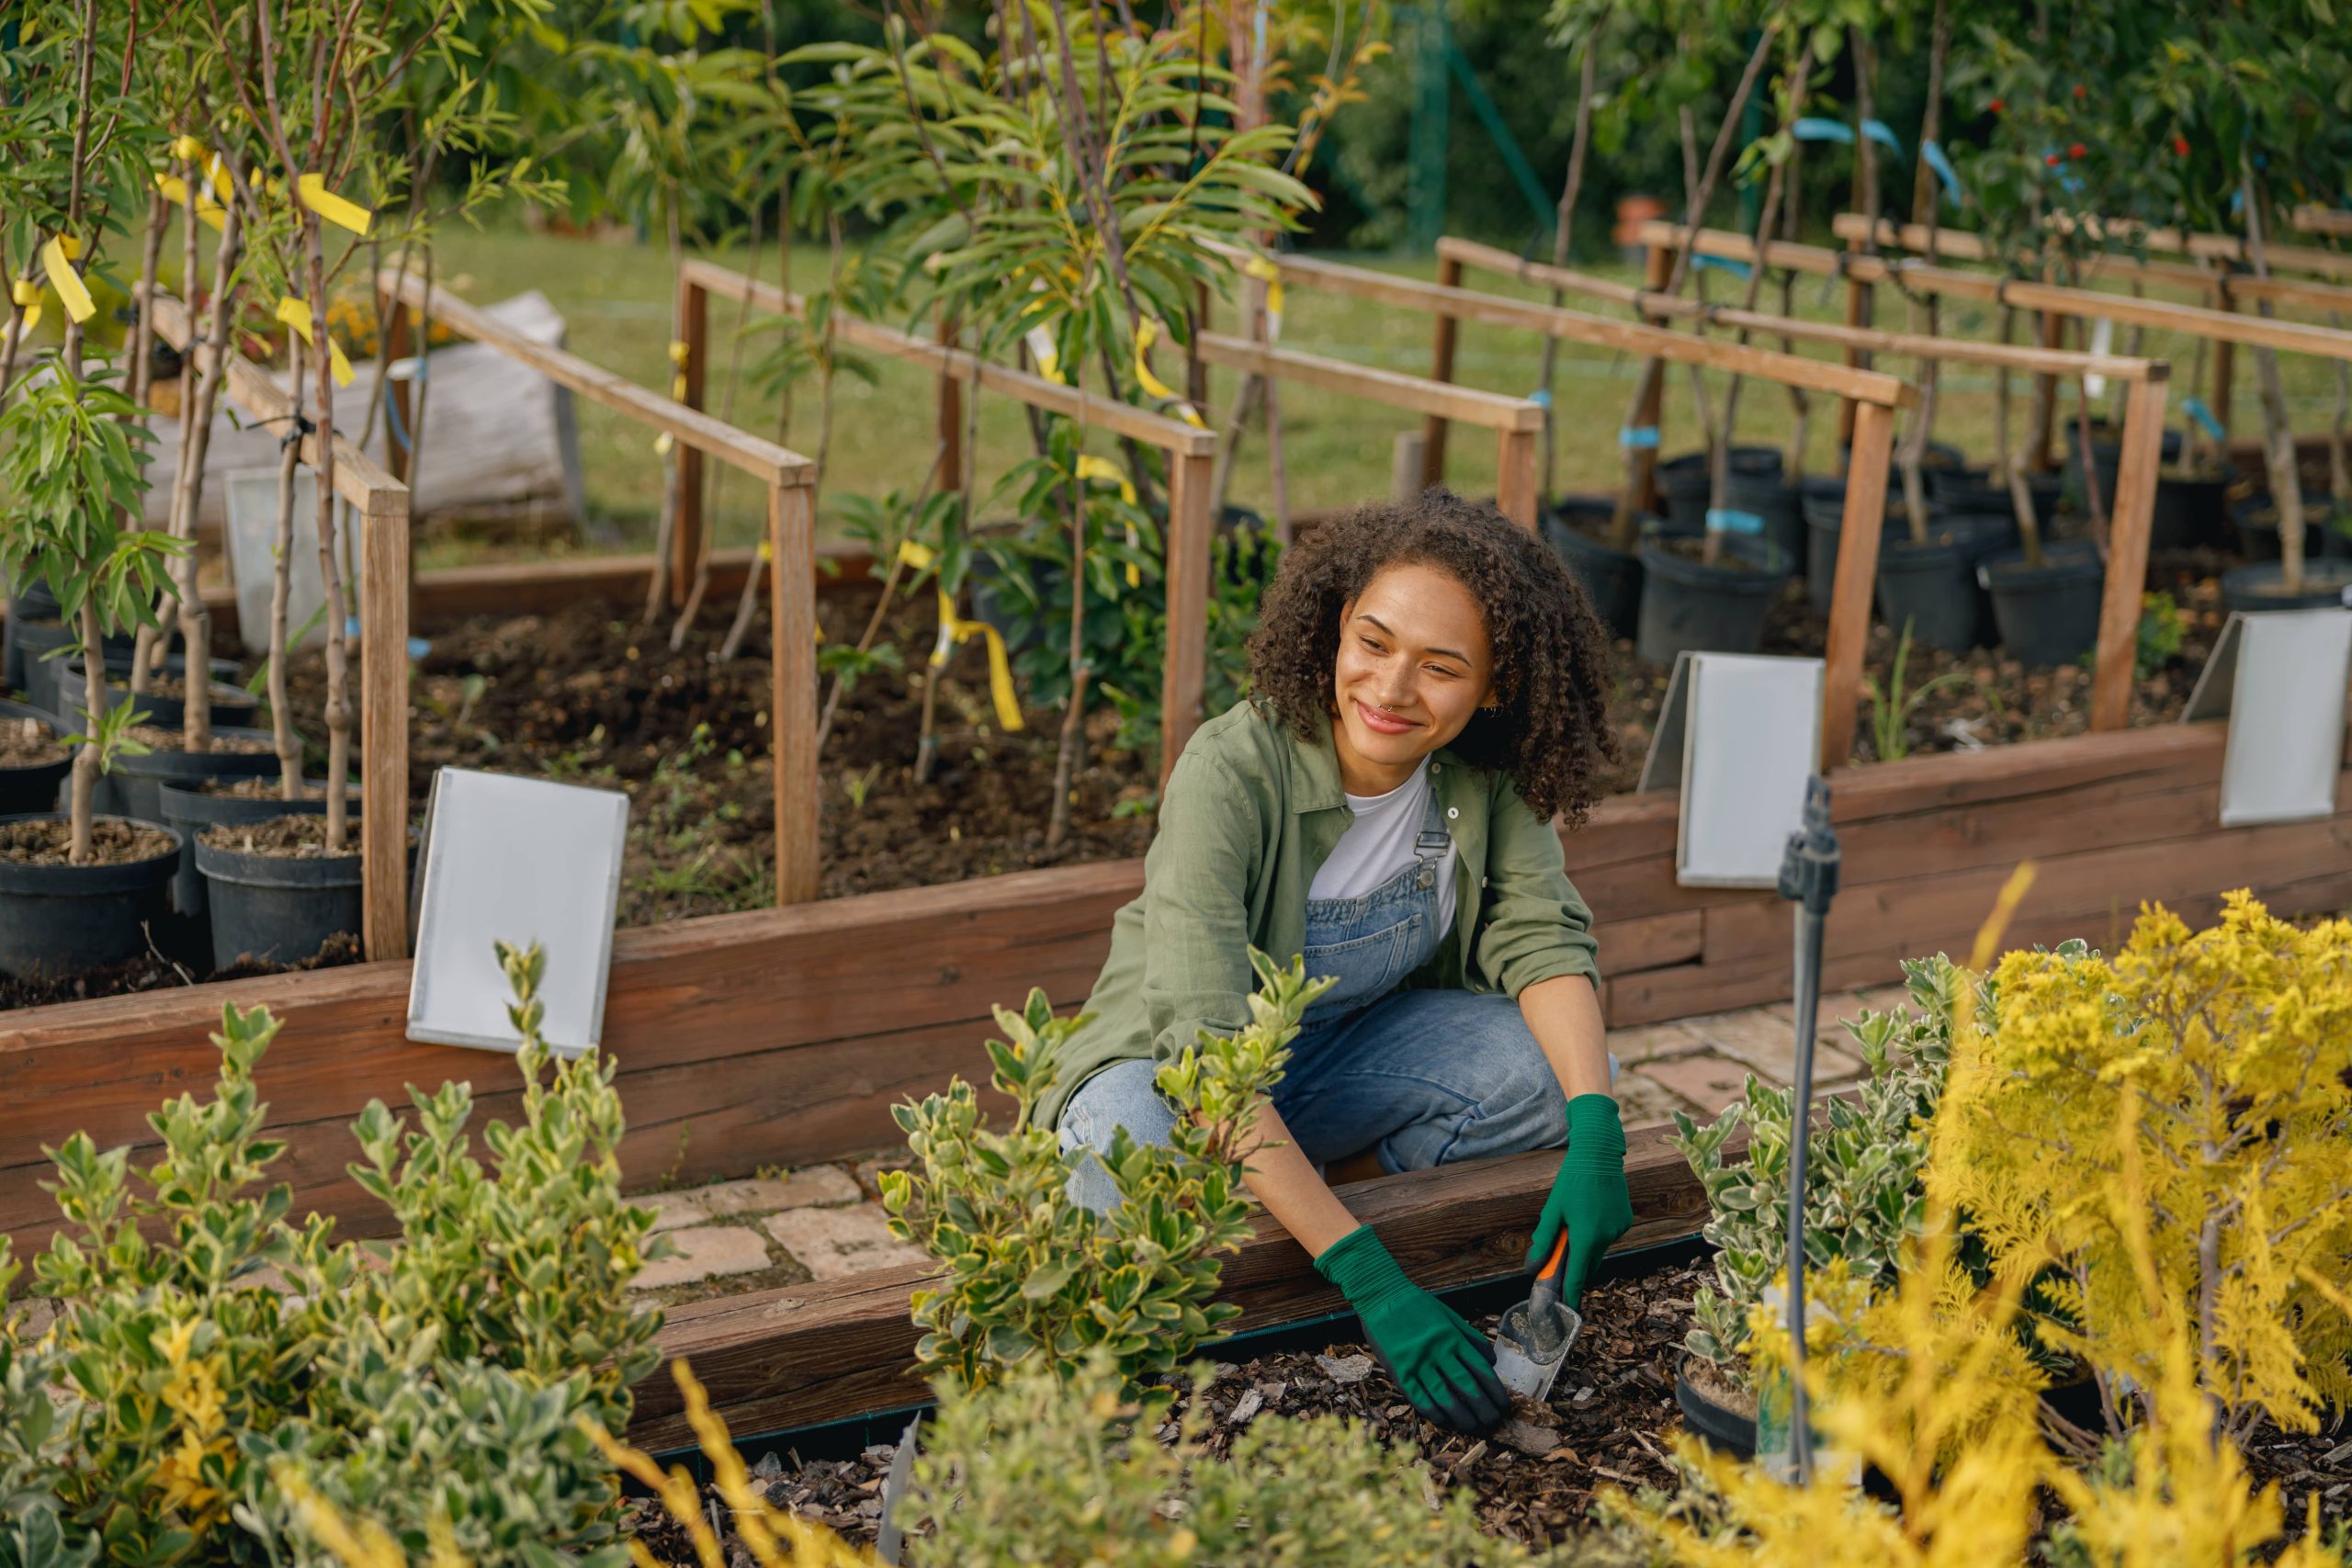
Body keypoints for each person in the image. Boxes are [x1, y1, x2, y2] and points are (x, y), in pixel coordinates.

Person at [1042, 489, 1630, 1437]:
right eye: (1373, 643)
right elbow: (1206, 1056)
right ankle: (1307, 1215)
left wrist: (1600, 1135)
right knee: (1120, 1145)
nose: (1392, 691)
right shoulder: (1230, 770)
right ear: (1332, 628)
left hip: (1333, 1061)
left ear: (1493, 688)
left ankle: (1290, 1195)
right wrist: (1375, 1284)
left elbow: (1542, 937)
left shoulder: (1483, 773)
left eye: (1441, 668)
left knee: (1554, 1070)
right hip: (1172, 1072)